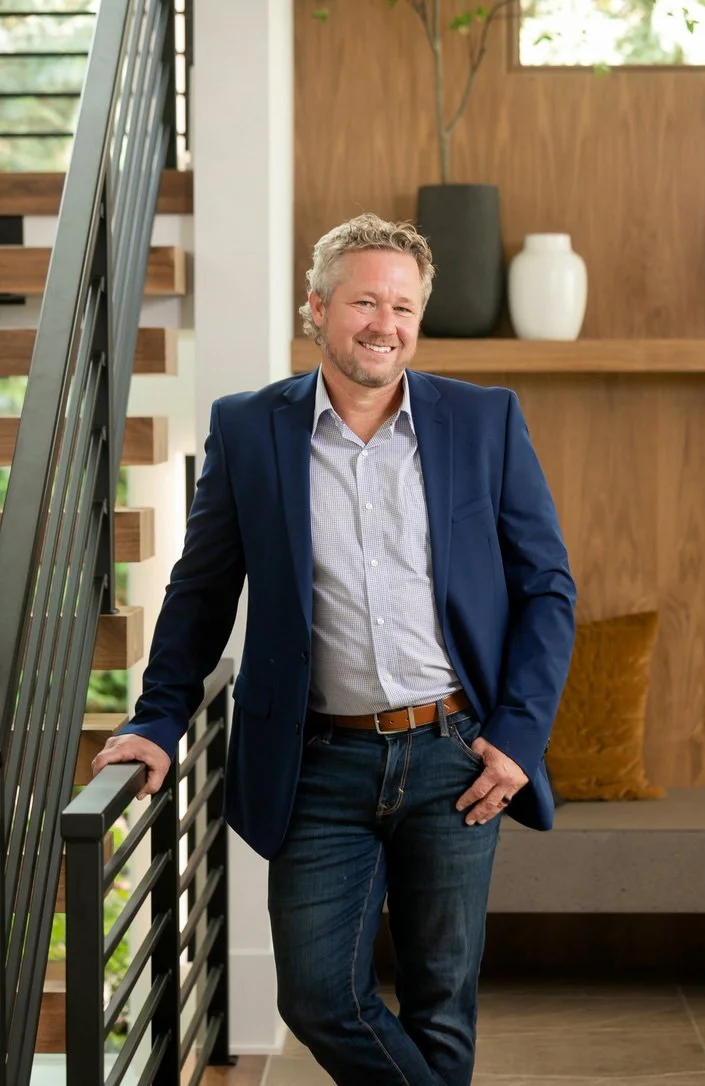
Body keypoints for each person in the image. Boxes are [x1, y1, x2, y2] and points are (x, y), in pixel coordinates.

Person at [92, 212, 576, 1085]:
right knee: (317, 994)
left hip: (455, 758)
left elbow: (547, 588)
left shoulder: (484, 420)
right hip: (318, 760)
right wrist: (158, 716)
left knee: (440, 1000)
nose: (383, 323)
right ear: (317, 307)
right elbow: (202, 591)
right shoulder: (249, 430)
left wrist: (520, 734)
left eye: (403, 306)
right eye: (363, 301)